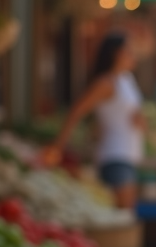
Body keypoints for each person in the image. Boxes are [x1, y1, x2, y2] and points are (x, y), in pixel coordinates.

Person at [41, 31, 144, 209]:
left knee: (127, 212)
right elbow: (77, 112)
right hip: (114, 155)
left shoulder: (126, 79)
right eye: (128, 50)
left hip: (129, 154)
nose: (132, 54)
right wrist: (58, 146)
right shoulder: (105, 83)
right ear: (116, 53)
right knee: (123, 212)